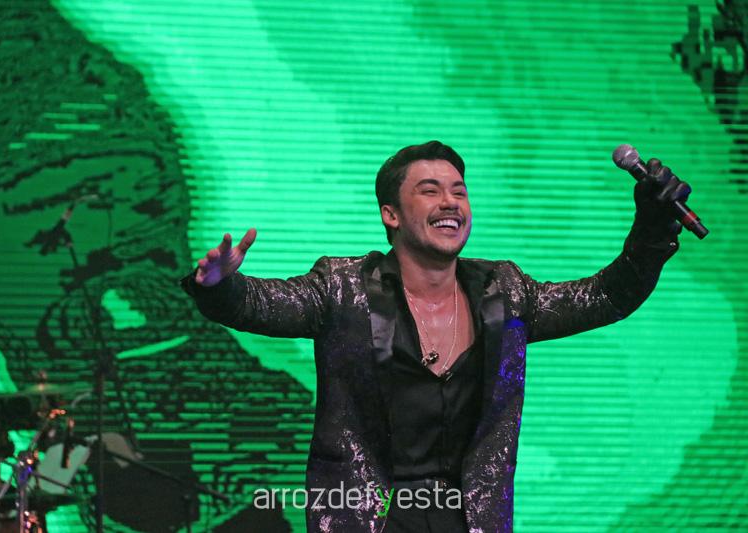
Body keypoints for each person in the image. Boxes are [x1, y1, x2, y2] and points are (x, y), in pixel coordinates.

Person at [180, 140, 691, 532]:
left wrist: (651, 228)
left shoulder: (505, 291)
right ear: (391, 214)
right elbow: (261, 303)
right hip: (369, 519)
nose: (450, 202)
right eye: (430, 191)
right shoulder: (342, 288)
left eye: (459, 191)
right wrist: (221, 284)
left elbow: (605, 297)